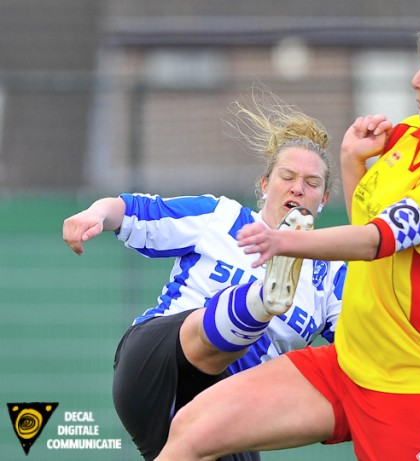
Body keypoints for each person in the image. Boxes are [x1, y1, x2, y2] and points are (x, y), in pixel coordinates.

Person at [154, 17, 420, 461]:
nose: (416, 81)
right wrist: (352, 159)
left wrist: (284, 242)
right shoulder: (414, 135)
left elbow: (375, 240)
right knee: (191, 429)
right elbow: (371, 224)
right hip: (349, 364)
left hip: (418, 388)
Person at [62, 90, 346, 461]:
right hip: (158, 366)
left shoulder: (332, 277)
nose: (298, 188)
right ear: (264, 186)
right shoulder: (221, 217)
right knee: (205, 331)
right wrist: (95, 215)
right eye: (287, 176)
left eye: (312, 183)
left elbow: (364, 347)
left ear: (323, 200)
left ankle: (266, 293)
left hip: (229, 407)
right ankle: (264, 297)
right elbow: (134, 210)